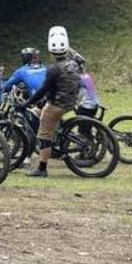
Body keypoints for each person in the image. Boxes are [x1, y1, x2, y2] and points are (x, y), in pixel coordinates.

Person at [24, 27, 83, 178]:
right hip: (71, 102)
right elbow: (60, 86)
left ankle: (42, 168)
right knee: (42, 112)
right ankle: (58, 135)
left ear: (50, 51)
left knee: (44, 135)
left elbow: (43, 90)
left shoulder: (53, 69)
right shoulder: (73, 64)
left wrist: (27, 103)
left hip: (57, 105)